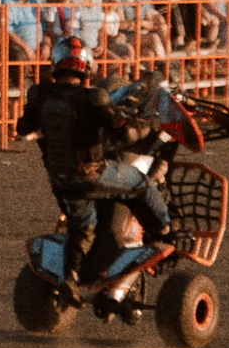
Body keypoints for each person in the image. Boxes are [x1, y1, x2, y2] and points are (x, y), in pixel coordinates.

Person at [16, 35, 173, 268]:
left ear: (56, 63)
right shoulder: (94, 97)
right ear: (86, 66)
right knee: (141, 184)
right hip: (91, 174)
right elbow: (125, 135)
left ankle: (70, 278)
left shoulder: (38, 94)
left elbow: (23, 128)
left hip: (60, 180)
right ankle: (165, 234)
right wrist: (149, 125)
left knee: (84, 228)